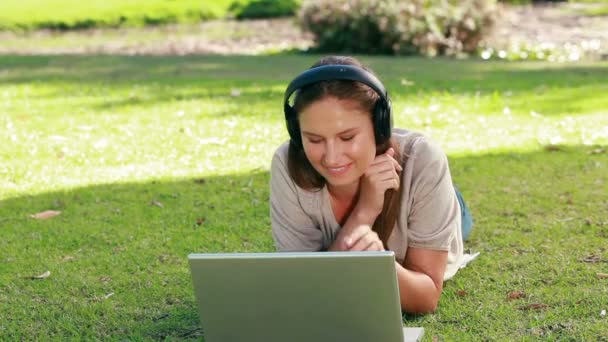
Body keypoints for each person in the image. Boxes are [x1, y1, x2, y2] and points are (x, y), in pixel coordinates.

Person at [269, 56, 473, 314]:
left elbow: (426, 298)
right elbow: (309, 287)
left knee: (458, 216)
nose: (331, 157)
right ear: (296, 134)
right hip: (403, 200)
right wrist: (365, 210)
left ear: (379, 127)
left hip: (435, 200)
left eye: (347, 137)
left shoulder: (423, 158)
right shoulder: (287, 162)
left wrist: (380, 266)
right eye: (315, 139)